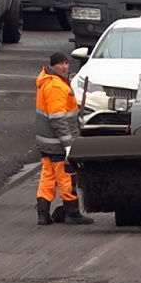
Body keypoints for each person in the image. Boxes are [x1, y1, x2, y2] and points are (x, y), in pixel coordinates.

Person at [35, 52, 93, 226]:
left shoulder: (49, 82)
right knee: (66, 177)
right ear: (53, 66)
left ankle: (43, 214)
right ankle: (72, 212)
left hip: (48, 144)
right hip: (58, 144)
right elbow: (58, 118)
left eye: (66, 63)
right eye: (61, 64)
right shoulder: (56, 87)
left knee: (48, 177)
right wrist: (68, 144)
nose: (65, 67)